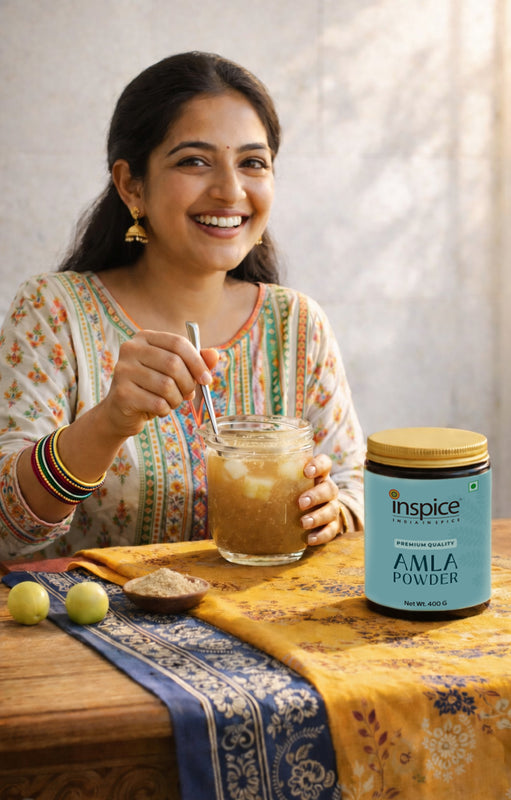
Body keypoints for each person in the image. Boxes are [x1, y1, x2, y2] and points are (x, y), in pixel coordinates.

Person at [0, 51, 364, 560]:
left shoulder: (297, 324)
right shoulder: (52, 312)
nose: (230, 190)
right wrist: (110, 422)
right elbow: (6, 529)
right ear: (132, 185)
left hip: (266, 630)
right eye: (194, 160)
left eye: (253, 163)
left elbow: (353, 485)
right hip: (83, 634)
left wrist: (333, 510)